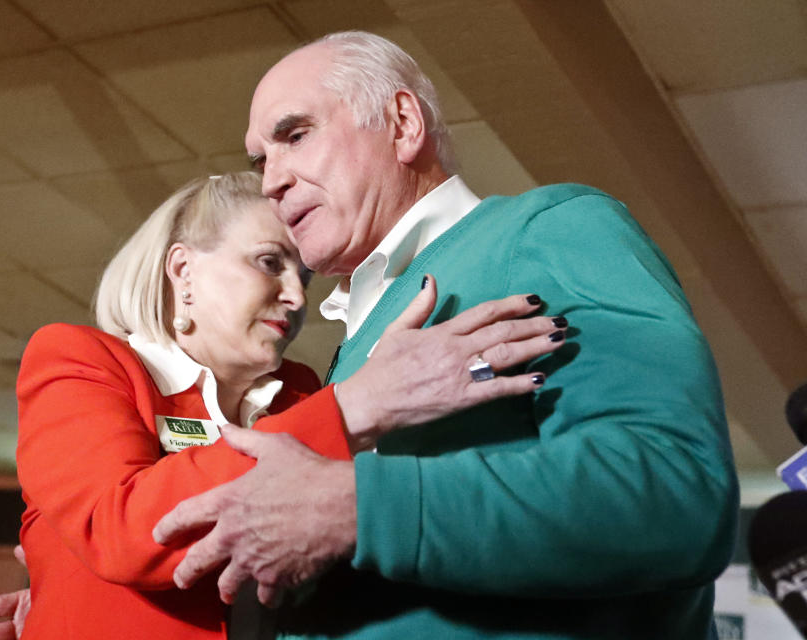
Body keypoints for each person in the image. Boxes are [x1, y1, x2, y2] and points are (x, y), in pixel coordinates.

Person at [149, 31, 740, 639]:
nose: (271, 181)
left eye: (295, 136)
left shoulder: (545, 230)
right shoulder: (354, 337)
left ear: (403, 124)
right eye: (260, 161)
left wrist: (357, 506)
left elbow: (676, 493)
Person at [0, 171, 565, 640]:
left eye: (303, 273)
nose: (297, 294)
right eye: (270, 262)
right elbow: (124, 527)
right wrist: (361, 404)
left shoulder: (303, 394)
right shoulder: (84, 359)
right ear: (183, 271)